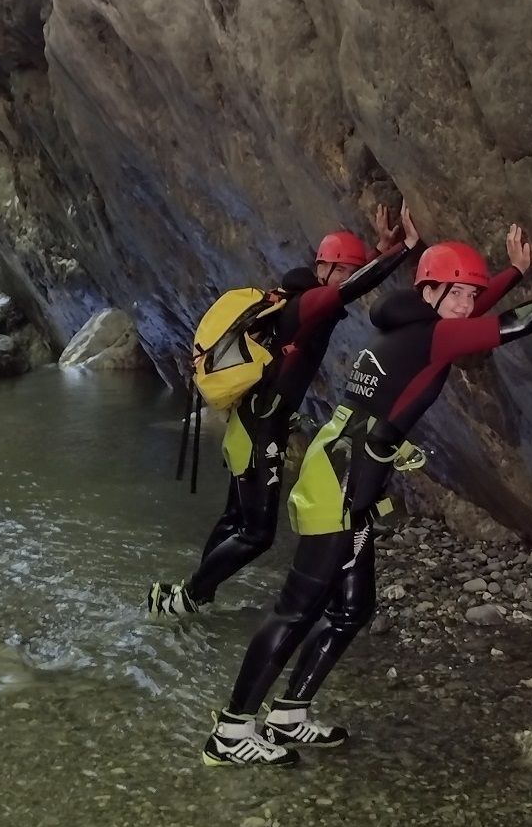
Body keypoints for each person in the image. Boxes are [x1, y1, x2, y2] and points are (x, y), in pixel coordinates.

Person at [202, 225, 532, 766]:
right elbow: (508, 325)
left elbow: (471, 314)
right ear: (428, 292)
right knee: (297, 610)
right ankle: (231, 731)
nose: (464, 301)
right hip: (339, 483)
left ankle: (288, 714)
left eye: (468, 291)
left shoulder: (414, 326)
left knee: (351, 608)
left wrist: (513, 272)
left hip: (348, 474)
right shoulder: (431, 334)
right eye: (454, 291)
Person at [148, 202, 420, 620]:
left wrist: (380, 252)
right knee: (256, 534)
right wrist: (403, 251)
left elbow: (347, 285)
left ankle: (197, 594)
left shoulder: (297, 300)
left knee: (235, 516)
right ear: (323, 270)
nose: (347, 278)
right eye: (343, 270)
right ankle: (184, 600)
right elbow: (351, 289)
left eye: (352, 269)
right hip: (261, 429)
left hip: (254, 422)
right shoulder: (306, 304)